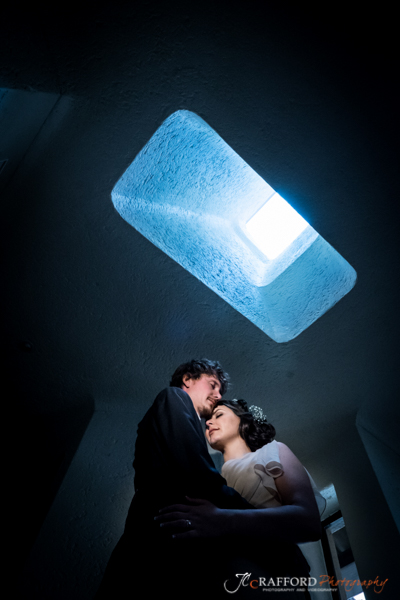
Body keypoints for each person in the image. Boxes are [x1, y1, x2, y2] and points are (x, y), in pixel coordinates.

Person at [94, 360, 253, 599]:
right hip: (160, 537)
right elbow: (196, 470)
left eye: (220, 390)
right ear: (187, 379)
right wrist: (251, 514)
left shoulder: (181, 415)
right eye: (212, 385)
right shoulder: (175, 396)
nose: (218, 395)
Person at [155, 399, 325, 598]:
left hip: (273, 579)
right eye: (207, 420)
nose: (208, 423)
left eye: (219, 415)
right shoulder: (214, 482)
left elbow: (308, 521)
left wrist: (221, 519)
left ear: (243, 421)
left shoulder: (273, 452)